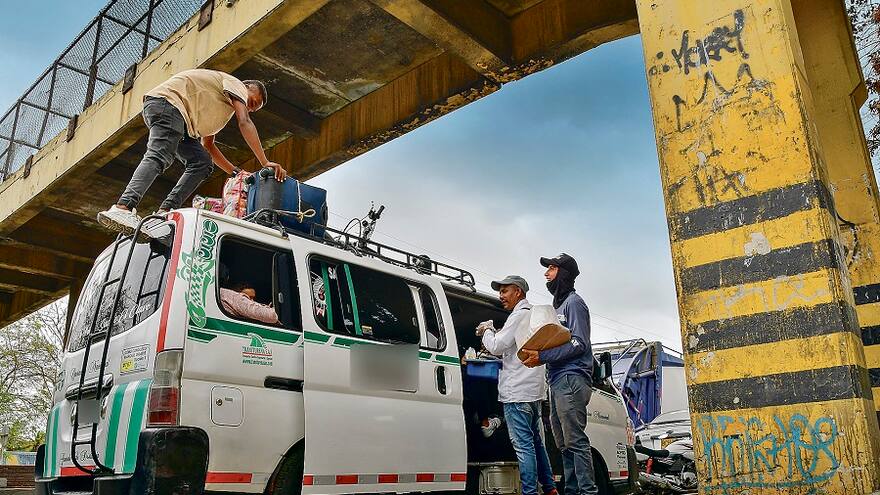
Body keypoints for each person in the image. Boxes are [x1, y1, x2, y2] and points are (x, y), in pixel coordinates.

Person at [97, 68, 288, 234]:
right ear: (246, 88)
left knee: (202, 163)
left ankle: (165, 213)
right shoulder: (235, 84)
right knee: (160, 155)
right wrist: (265, 162)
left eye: (254, 109)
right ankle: (123, 206)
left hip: (180, 121)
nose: (250, 109)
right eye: (252, 103)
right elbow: (244, 122)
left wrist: (236, 173)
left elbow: (208, 146)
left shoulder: (221, 109)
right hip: (169, 105)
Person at [521, 254, 596, 495]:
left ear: (563, 273)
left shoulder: (574, 303)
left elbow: (579, 343)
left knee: (575, 440)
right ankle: (572, 491)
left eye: (552, 268)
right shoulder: (557, 307)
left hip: (571, 377)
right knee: (563, 444)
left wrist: (543, 356)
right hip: (556, 380)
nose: (546, 273)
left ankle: (587, 492)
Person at [478, 275, 557, 495]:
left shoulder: (518, 315)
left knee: (524, 447)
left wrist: (487, 330)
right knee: (537, 444)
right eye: (500, 292)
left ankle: (530, 492)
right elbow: (514, 349)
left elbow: (496, 346)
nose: (501, 296)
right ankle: (550, 488)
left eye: (505, 291)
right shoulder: (533, 315)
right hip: (533, 393)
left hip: (517, 393)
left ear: (518, 292)